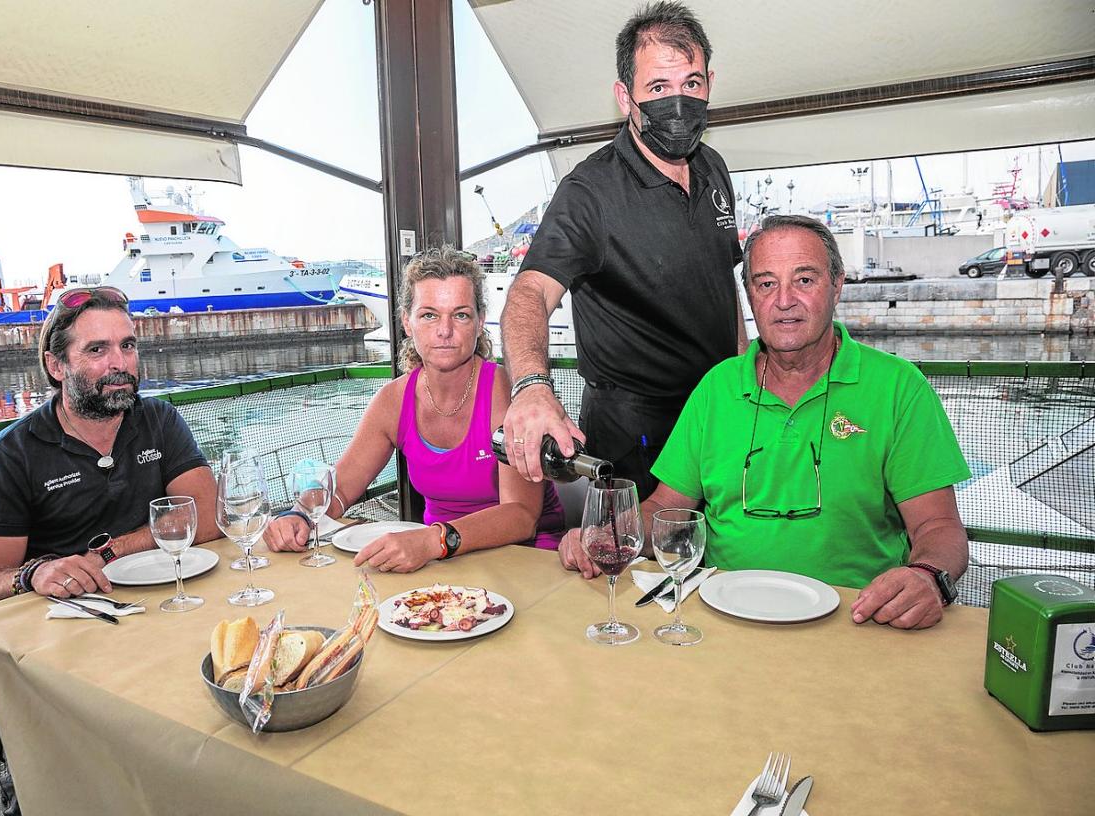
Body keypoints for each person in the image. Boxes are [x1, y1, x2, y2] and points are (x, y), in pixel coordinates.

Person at [561, 215, 971, 630]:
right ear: (750, 297)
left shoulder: (898, 388)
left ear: (837, 286)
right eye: (766, 283)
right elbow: (667, 507)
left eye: (805, 280)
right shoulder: (718, 387)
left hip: (859, 620)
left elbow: (937, 526)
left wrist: (927, 576)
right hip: (723, 616)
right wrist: (608, 535)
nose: (784, 300)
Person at [0, 287, 217, 814]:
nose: (120, 364)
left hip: (156, 628)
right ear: (56, 365)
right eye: (98, 351)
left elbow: (206, 518)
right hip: (56, 658)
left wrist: (111, 552)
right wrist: (34, 574)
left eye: (127, 347)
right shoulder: (11, 455)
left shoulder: (160, 421)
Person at [500, 1, 746, 498]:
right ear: (625, 96)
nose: (678, 102)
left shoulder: (714, 167)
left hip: (719, 414)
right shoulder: (589, 191)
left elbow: (725, 283)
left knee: (724, 561)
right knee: (636, 565)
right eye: (658, 88)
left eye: (691, 85)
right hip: (634, 431)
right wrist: (531, 386)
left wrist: (745, 378)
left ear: (709, 83)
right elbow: (528, 294)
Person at [264, 247, 564, 572]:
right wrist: (299, 513)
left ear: (479, 322)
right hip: (439, 564)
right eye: (429, 315)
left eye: (460, 315)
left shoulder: (506, 392)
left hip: (527, 560)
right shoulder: (393, 400)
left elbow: (521, 515)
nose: (444, 330)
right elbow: (341, 487)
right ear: (407, 322)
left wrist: (435, 541)